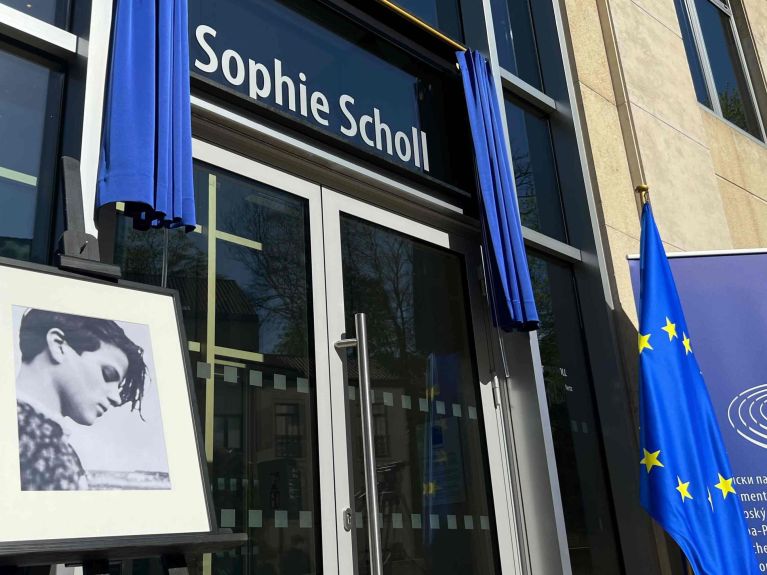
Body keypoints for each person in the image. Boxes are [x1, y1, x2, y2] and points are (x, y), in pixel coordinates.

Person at [15, 309, 147, 490]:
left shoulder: (44, 437)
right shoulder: (32, 437)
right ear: (58, 345)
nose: (116, 398)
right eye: (108, 374)